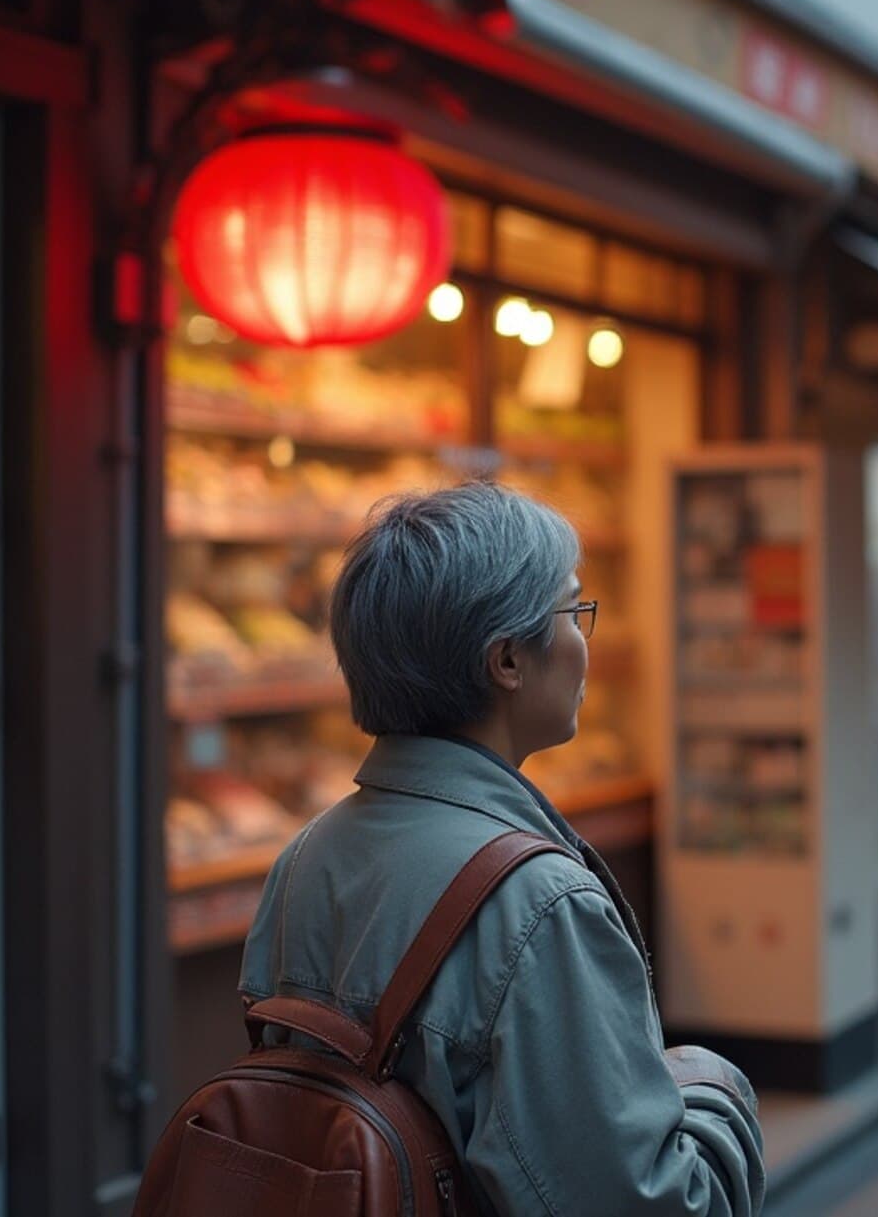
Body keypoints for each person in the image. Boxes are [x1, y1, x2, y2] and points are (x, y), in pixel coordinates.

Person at [241, 483, 765, 1213]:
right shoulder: (539, 904)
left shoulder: (304, 858)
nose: (586, 640)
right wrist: (713, 1089)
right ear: (508, 660)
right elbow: (642, 1200)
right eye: (575, 610)